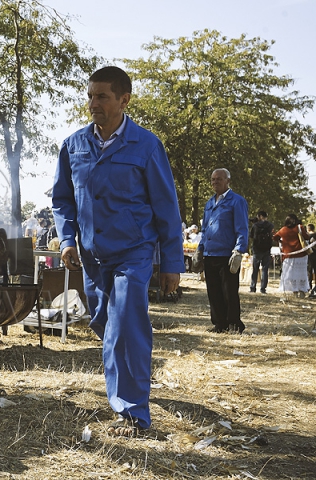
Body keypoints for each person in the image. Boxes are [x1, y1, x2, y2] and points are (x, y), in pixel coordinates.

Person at [52, 66, 183, 437]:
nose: (93, 103)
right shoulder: (74, 145)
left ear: (124, 99)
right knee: (105, 325)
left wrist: (171, 263)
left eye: (102, 96)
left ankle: (133, 413)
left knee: (126, 324)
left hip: (134, 253)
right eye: (91, 95)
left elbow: (166, 207)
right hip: (93, 257)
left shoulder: (146, 145)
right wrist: (66, 240)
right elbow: (63, 200)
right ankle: (129, 382)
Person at [196, 168, 249, 333]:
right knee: (213, 291)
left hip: (227, 254)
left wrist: (239, 251)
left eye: (219, 179)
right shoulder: (209, 203)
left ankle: (234, 324)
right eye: (212, 179)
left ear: (228, 181)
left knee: (229, 292)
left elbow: (242, 228)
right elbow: (204, 229)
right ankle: (219, 324)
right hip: (210, 253)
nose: (215, 182)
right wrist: (199, 250)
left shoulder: (236, 201)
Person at [273, 214, 310, 298]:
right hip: (301, 255)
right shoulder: (299, 227)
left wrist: (281, 241)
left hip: (288, 255)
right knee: (301, 273)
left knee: (291, 274)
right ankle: (302, 291)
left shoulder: (283, 230)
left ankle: (294, 291)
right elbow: (306, 237)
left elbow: (275, 238)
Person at [249, 210, 274, 294]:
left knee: (255, 269)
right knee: (265, 269)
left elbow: (251, 236)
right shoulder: (270, 225)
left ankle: (253, 287)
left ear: (259, 216)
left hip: (256, 249)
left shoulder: (255, 225)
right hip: (266, 249)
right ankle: (263, 288)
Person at [307, 224, 316, 297]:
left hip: (310, 256)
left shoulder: (307, 236)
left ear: (308, 229)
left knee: (309, 271)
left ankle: (308, 286)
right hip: (314, 255)